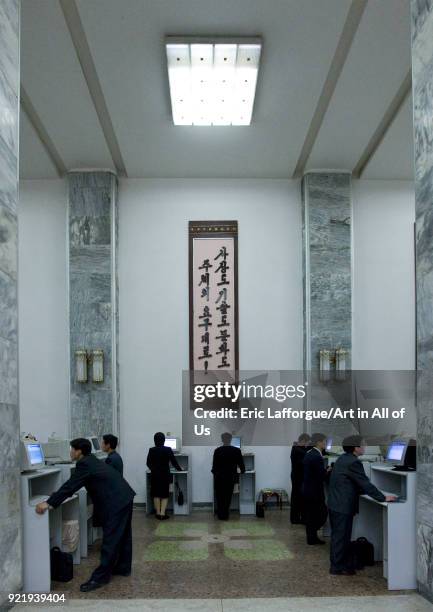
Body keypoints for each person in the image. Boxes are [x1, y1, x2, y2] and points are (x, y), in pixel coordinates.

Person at [35, 438, 135, 592]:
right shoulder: (91, 460)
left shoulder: (84, 464)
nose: (70, 452)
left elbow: (70, 486)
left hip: (116, 501)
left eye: (71, 449)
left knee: (111, 539)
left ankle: (100, 578)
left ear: (78, 451)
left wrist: (48, 503)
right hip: (124, 496)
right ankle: (122, 567)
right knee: (124, 535)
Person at [327, 434, 397, 575]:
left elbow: (353, 482)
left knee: (339, 536)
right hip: (342, 505)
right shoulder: (353, 462)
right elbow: (365, 483)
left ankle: (339, 564)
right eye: (363, 445)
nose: (364, 447)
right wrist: (382, 497)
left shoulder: (343, 458)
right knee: (341, 537)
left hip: (336, 502)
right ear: (355, 448)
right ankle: (337, 567)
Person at [146, 432, 182, 520]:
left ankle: (157, 513)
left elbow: (148, 463)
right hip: (165, 475)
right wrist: (180, 469)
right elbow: (174, 462)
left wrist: (154, 469)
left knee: (156, 494)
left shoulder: (151, 450)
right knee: (165, 494)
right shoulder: (168, 449)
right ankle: (162, 514)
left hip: (155, 475)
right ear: (164, 440)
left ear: (154, 440)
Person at [302, 432, 329, 545]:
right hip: (314, 491)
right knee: (321, 513)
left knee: (311, 515)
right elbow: (320, 476)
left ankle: (311, 537)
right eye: (324, 441)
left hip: (307, 489)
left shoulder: (310, 453)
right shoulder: (316, 456)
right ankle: (313, 536)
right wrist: (327, 472)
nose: (325, 444)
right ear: (319, 442)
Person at [212, 432, 245, 520]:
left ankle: (220, 515)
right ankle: (226, 515)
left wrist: (217, 474)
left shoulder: (217, 451)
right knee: (228, 497)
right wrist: (241, 471)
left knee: (219, 497)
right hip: (230, 478)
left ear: (222, 440)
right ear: (231, 439)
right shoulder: (237, 451)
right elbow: (242, 467)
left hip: (219, 478)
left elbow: (214, 468)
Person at [290, 433, 311, 524]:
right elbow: (305, 455)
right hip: (298, 477)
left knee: (298, 498)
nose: (307, 445)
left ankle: (298, 518)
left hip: (297, 476)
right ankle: (296, 519)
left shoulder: (297, 448)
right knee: (297, 498)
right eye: (307, 443)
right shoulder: (297, 450)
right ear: (303, 441)